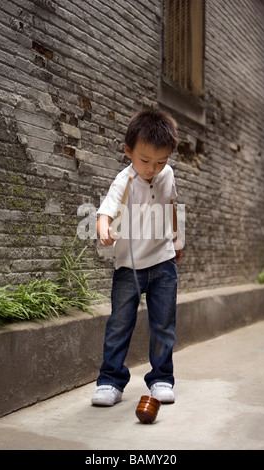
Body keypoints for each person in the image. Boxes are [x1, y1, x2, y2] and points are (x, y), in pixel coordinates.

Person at [91, 109, 183, 406]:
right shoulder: (125, 178)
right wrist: (103, 226)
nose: (152, 168)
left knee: (163, 324)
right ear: (128, 151)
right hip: (129, 266)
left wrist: (177, 240)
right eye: (145, 160)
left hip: (164, 262)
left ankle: (161, 379)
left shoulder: (166, 174)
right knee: (120, 322)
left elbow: (171, 206)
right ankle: (110, 382)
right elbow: (107, 207)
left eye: (160, 161)